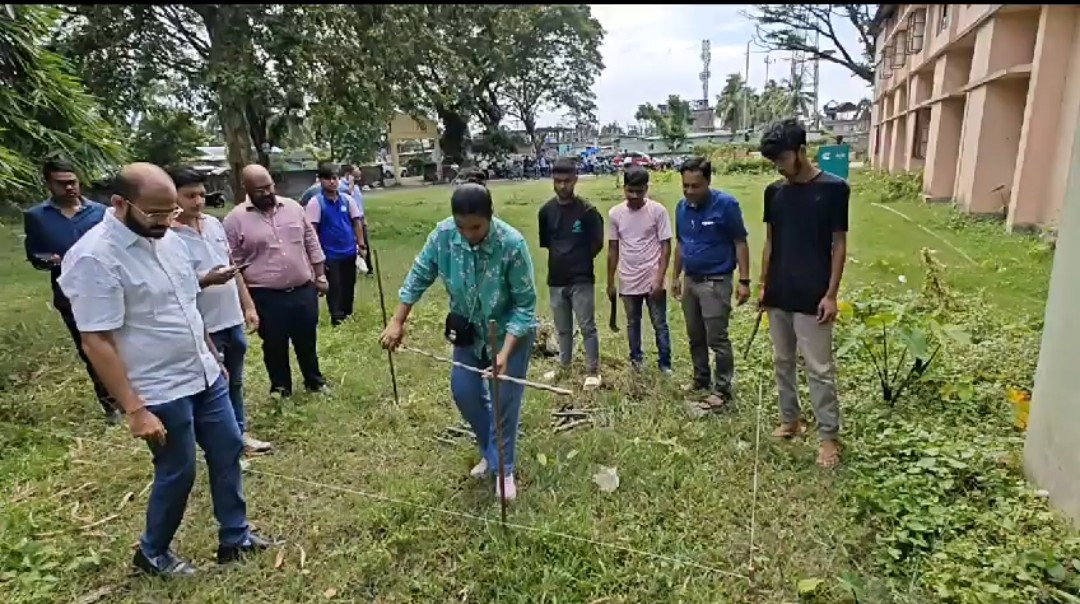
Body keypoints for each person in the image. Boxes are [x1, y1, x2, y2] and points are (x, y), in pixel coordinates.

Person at [58, 163, 271, 577]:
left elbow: (186, 305)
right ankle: (153, 552)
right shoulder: (93, 258)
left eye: (170, 211)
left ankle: (235, 537)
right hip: (158, 386)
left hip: (202, 373)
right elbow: (96, 340)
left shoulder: (170, 240)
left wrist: (210, 355)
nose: (165, 221)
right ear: (120, 204)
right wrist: (135, 410)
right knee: (179, 469)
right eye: (155, 213)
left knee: (228, 448)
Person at [379, 183, 537, 502]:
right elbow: (419, 274)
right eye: (462, 227)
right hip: (467, 330)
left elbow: (525, 306)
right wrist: (397, 320)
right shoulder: (444, 235)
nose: (468, 234)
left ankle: (504, 469)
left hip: (508, 333)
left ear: (490, 218)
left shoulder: (511, 244)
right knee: (464, 391)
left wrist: (504, 353)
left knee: (503, 401)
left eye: (476, 227)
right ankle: (491, 452)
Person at [758, 118, 849, 468]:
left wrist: (831, 293)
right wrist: (764, 284)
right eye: (774, 162)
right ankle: (790, 419)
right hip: (780, 290)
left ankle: (829, 437)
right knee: (782, 362)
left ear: (800, 151)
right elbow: (770, 241)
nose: (779, 168)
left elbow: (839, 244)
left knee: (819, 369)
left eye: (782, 159)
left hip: (814, 293)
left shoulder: (833, 189)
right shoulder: (774, 192)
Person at [168, 167, 272, 454]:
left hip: (231, 318)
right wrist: (206, 280)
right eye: (189, 195)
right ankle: (222, 443)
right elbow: (173, 287)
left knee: (234, 380)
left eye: (201, 194)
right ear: (172, 195)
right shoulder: (166, 236)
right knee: (215, 384)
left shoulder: (214, 224)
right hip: (202, 324)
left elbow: (232, 268)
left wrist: (248, 305)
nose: (198, 201)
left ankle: (239, 435)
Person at [22, 158, 117, 423]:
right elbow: (33, 253)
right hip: (69, 293)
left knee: (122, 342)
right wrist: (46, 259)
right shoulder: (36, 217)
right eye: (62, 184)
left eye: (73, 182)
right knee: (90, 347)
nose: (69, 188)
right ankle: (110, 405)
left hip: (107, 286)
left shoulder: (101, 212)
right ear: (49, 184)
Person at [224, 164, 329, 397]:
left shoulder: (293, 208)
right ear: (247, 188)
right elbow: (233, 262)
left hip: (303, 289)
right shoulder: (234, 220)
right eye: (259, 190)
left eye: (268, 186)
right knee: (274, 344)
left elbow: (311, 241)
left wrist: (320, 275)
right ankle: (281, 388)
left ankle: (315, 381)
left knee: (307, 340)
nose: (266, 193)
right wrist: (246, 302)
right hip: (266, 295)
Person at [671, 157, 751, 413]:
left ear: (708, 181)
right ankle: (700, 378)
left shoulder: (726, 205)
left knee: (717, 338)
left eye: (695, 186)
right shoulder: (682, 208)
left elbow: (740, 242)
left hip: (715, 281)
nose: (689, 191)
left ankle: (722, 389)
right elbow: (681, 244)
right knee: (695, 336)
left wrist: (745, 281)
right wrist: (675, 276)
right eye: (685, 186)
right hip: (691, 280)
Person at [539, 157, 604, 389]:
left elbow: (597, 243)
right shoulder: (545, 211)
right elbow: (547, 243)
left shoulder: (587, 211)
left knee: (587, 326)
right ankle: (563, 366)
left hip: (581, 278)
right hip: (556, 278)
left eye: (567, 181)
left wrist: (578, 261)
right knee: (562, 328)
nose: (563, 186)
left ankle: (593, 371)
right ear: (552, 181)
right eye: (558, 181)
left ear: (576, 179)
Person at [607, 166, 673, 373]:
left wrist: (659, 278)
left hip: (652, 276)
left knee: (659, 324)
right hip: (628, 279)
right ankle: (636, 361)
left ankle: (665, 364)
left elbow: (666, 246)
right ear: (623, 188)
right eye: (630, 191)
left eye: (639, 191)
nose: (634, 196)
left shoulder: (657, 211)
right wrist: (610, 281)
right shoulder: (615, 213)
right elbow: (613, 248)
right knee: (632, 323)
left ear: (646, 188)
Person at [305, 162, 366, 326]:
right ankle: (337, 318)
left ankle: (348, 313)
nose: (332, 182)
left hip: (349, 251)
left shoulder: (347, 200)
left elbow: (356, 222)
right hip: (329, 254)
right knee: (335, 287)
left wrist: (361, 245)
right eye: (327, 178)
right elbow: (312, 230)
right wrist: (315, 254)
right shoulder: (316, 203)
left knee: (349, 284)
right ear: (320, 180)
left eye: (334, 178)